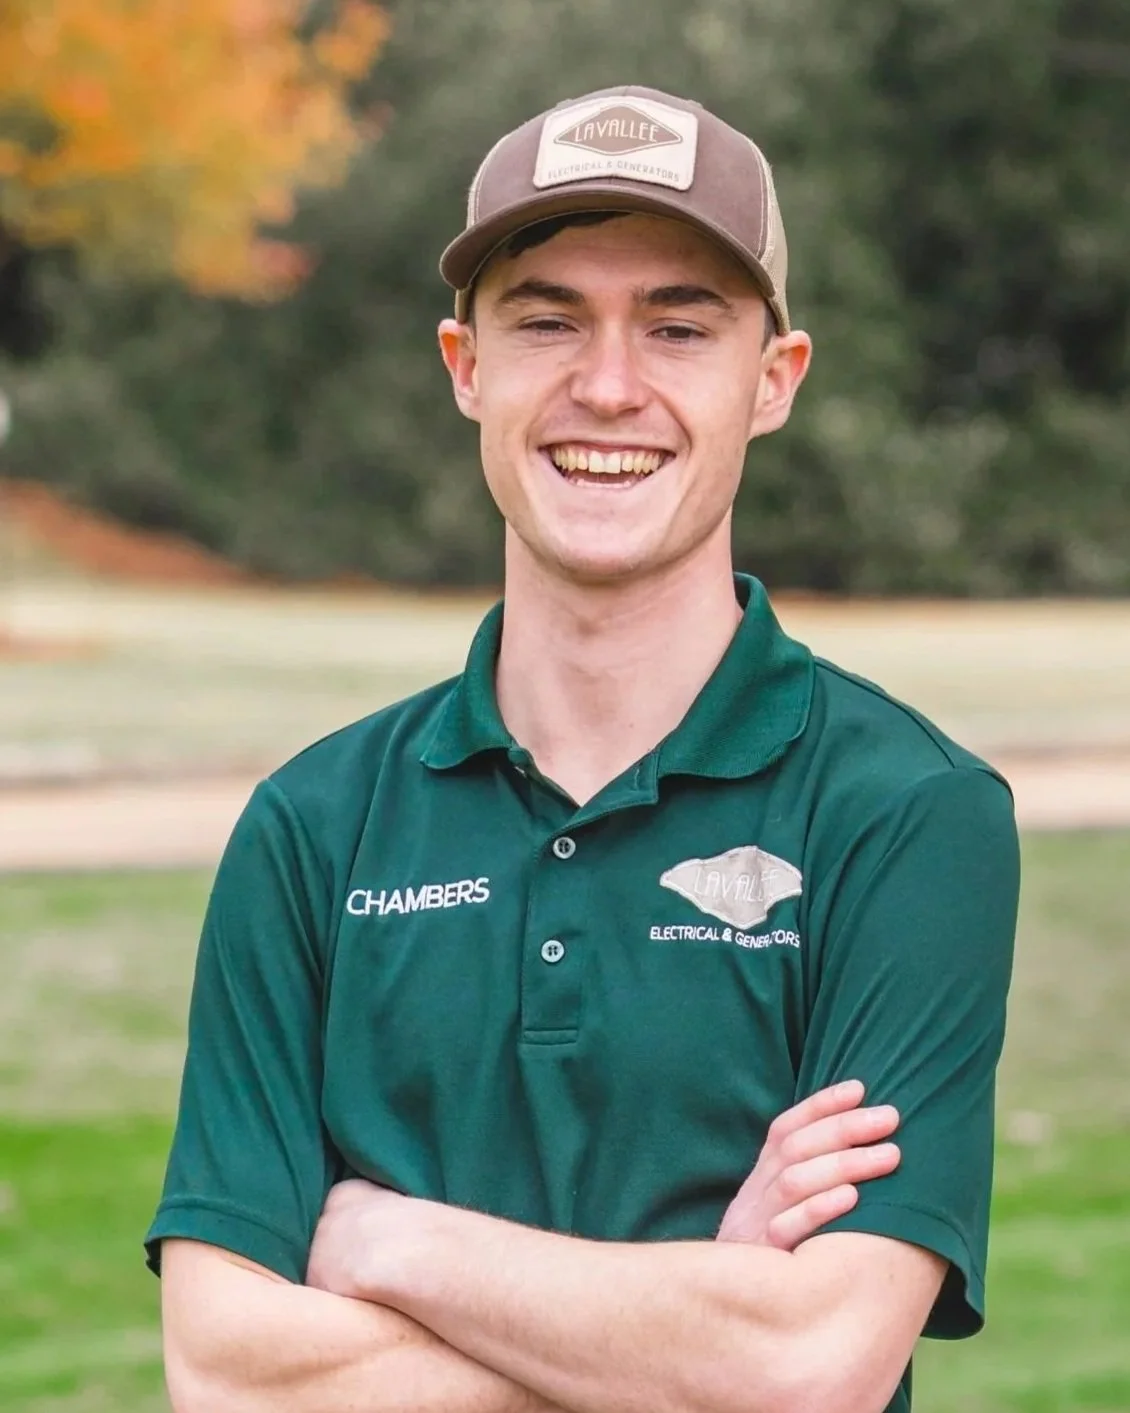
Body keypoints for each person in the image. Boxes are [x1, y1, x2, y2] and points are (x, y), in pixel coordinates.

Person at [147, 86, 1019, 1413]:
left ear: (769, 382)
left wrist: (393, 1243)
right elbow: (227, 1376)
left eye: (678, 328)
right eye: (547, 319)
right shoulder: (314, 826)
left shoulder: (906, 813)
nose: (608, 387)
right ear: (465, 367)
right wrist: (688, 1324)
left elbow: (807, 1369)